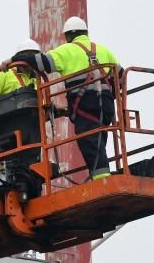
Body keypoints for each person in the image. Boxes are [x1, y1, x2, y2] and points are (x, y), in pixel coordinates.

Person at [46, 16, 121, 180]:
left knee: (90, 143)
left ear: (67, 37)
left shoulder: (66, 51)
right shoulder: (103, 49)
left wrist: (15, 60)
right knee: (99, 141)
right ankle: (101, 174)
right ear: (86, 33)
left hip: (86, 107)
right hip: (106, 108)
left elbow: (42, 62)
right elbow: (120, 75)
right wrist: (110, 95)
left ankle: (102, 180)